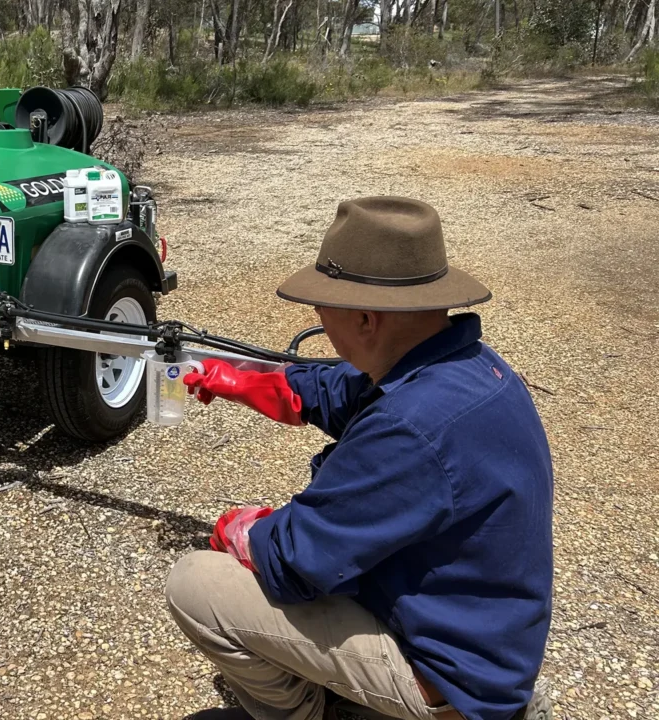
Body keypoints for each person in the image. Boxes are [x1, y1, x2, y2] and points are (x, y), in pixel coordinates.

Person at [167, 197, 554, 720]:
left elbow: (293, 561)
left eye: (322, 309)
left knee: (198, 585)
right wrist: (240, 381)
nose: (318, 318)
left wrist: (243, 531)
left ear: (366, 319)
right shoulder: (465, 367)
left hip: (453, 676)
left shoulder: (410, 427)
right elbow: (337, 388)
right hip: (480, 633)